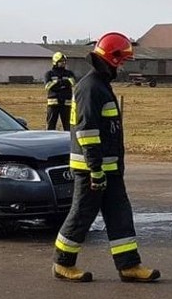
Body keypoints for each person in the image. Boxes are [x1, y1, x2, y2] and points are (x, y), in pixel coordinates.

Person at [52, 32, 160, 284]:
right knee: (81, 215)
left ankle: (129, 266)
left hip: (108, 169)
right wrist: (96, 170)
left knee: (120, 215)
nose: (122, 67)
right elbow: (87, 132)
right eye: (121, 61)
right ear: (112, 58)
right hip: (93, 170)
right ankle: (62, 263)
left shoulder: (101, 85)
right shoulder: (90, 87)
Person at [44, 51, 76, 130]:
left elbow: (72, 83)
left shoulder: (69, 73)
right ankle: (50, 139)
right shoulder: (49, 74)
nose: (63, 63)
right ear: (55, 62)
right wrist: (63, 83)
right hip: (53, 103)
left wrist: (57, 83)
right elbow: (48, 86)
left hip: (66, 103)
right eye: (61, 61)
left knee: (68, 126)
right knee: (51, 125)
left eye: (64, 61)